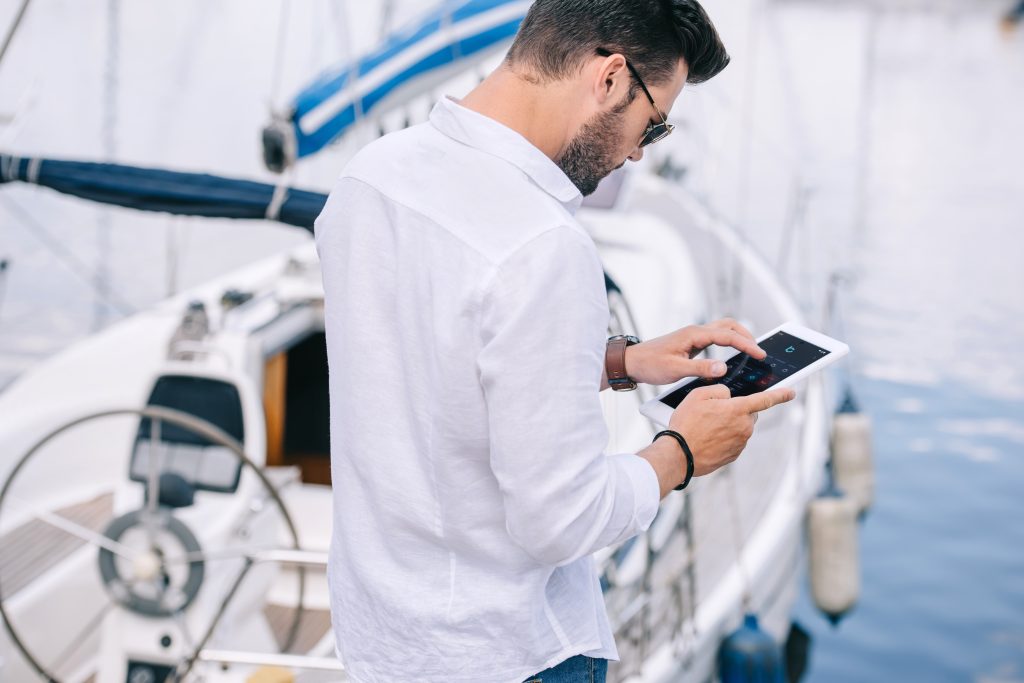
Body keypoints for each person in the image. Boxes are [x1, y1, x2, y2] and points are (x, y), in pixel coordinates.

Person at [312, 1, 795, 681]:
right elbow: (561, 519)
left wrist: (618, 362)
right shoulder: (542, 244)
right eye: (652, 125)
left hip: (380, 641)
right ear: (609, 78)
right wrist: (681, 452)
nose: (635, 151)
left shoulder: (370, 177)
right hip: (506, 655)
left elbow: (431, 369)